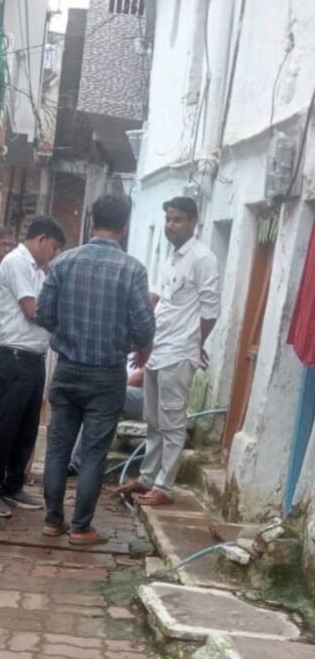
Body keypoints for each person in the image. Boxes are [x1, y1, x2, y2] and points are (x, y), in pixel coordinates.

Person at [35, 194, 156, 547]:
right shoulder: (132, 270)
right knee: (93, 453)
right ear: (125, 227)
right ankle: (80, 528)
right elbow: (144, 328)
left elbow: (43, 314)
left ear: (91, 222)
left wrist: (67, 333)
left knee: (58, 448)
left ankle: (52, 522)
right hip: (107, 374)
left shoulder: (62, 263)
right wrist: (128, 342)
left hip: (67, 368)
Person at [118, 195, 220, 507]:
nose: (171, 225)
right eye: (168, 219)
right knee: (153, 420)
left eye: (178, 220)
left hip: (179, 353)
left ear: (193, 222)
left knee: (173, 423)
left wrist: (196, 343)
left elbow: (210, 311)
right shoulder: (172, 258)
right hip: (159, 349)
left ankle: (164, 487)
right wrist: (145, 344)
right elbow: (162, 306)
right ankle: (147, 478)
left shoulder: (203, 259)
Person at [0, 216, 66, 518]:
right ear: (41, 239)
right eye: (53, 247)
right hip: (15, 356)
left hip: (35, 357)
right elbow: (32, 310)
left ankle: (13, 485)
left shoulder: (38, 270)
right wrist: (61, 318)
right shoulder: (17, 262)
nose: (53, 254)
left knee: (27, 428)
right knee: (6, 426)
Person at [69, 361, 145, 475]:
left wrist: (113, 387)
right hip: (120, 389)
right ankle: (74, 461)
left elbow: (142, 375)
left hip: (143, 393)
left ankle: (78, 463)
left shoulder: (148, 350)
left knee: (102, 398)